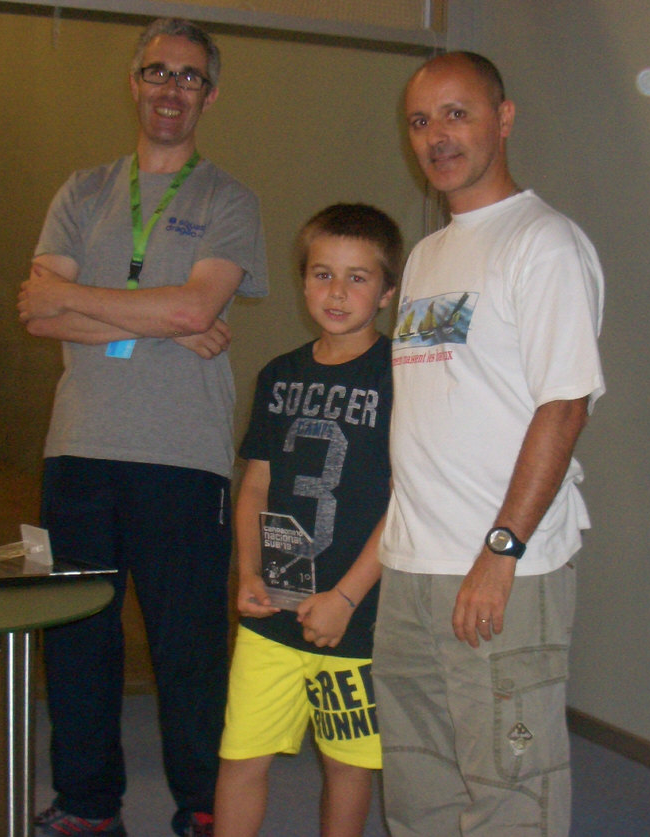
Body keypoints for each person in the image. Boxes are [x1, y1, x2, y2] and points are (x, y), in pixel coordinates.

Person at [17, 18, 267, 837]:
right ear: (134, 83)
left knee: (187, 647)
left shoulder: (226, 199)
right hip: (77, 451)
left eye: (189, 76)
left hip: (182, 457)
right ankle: (90, 806)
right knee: (77, 639)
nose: (170, 88)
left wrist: (86, 301)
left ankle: (203, 805)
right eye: (157, 71)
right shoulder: (83, 190)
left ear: (210, 96)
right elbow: (36, 311)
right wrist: (157, 319)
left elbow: (195, 307)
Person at [372, 52, 605, 837]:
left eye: (456, 113)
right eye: (419, 121)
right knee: (419, 789)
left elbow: (563, 407)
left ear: (501, 119)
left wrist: (500, 549)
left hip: (500, 565)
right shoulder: (427, 254)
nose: (436, 136)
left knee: (509, 791)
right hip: (413, 567)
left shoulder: (543, 242)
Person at [213, 204, 402, 837]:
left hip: (355, 616)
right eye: (323, 274)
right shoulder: (279, 375)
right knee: (241, 756)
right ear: (302, 282)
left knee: (347, 766)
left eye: (357, 277)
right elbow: (256, 484)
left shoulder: (400, 378)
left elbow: (407, 500)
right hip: (274, 608)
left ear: (387, 292)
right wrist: (248, 573)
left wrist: (346, 597)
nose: (337, 292)